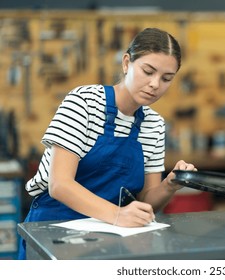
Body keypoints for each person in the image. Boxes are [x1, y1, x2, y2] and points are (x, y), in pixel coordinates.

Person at [18, 28, 196, 259]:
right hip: (52, 231)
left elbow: (144, 201)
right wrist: (117, 215)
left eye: (166, 79)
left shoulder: (154, 124)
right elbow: (59, 184)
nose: (155, 84)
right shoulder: (83, 103)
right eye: (148, 71)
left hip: (111, 237)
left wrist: (169, 186)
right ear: (126, 63)